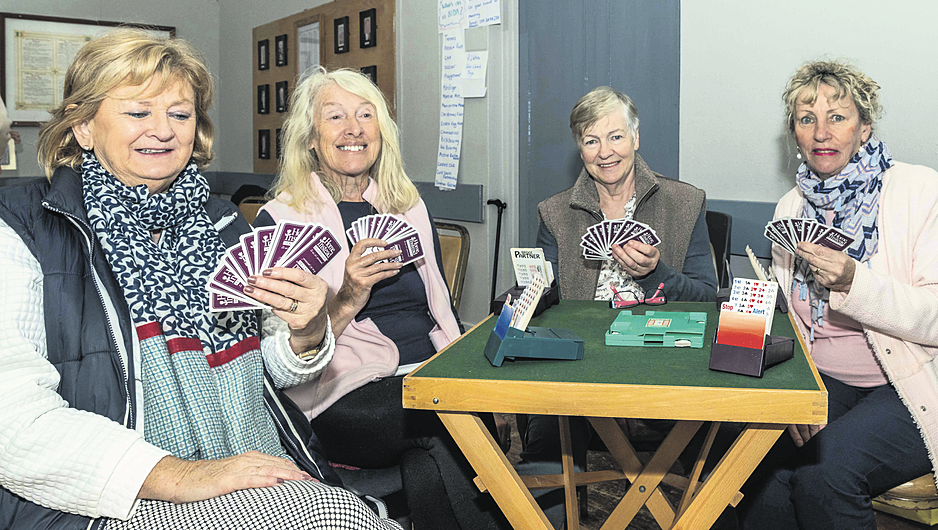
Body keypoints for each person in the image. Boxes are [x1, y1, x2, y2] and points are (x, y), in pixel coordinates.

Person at [0, 29, 400, 530]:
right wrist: (184, 476)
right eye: (138, 112)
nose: (163, 131)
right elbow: (13, 424)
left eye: (180, 114)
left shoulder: (222, 222)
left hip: (256, 465)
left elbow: (268, 376)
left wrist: (307, 332)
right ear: (83, 127)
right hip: (111, 498)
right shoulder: (20, 228)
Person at [255, 66, 509, 530]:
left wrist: (466, 365)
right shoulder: (282, 219)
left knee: (429, 461)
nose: (353, 128)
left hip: (425, 372)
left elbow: (442, 309)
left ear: (381, 132)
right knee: (444, 421)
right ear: (311, 138)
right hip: (338, 393)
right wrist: (350, 294)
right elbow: (283, 356)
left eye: (365, 115)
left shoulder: (406, 204)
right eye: (335, 117)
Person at [737, 60, 938, 529]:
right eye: (807, 119)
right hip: (822, 379)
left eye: (838, 116)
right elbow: (793, 323)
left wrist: (855, 282)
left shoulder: (917, 189)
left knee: (826, 474)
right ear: (795, 134)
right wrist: (793, 395)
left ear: (864, 126)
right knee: (756, 467)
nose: (821, 132)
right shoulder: (791, 207)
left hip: (907, 384)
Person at [520, 86, 718, 487]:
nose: (605, 151)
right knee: (544, 444)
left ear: (635, 138)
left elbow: (710, 299)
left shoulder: (685, 202)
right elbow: (545, 295)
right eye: (592, 141)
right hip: (576, 367)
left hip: (664, 365)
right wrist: (526, 293)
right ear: (580, 149)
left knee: (720, 448)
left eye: (615, 136)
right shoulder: (555, 212)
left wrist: (655, 273)